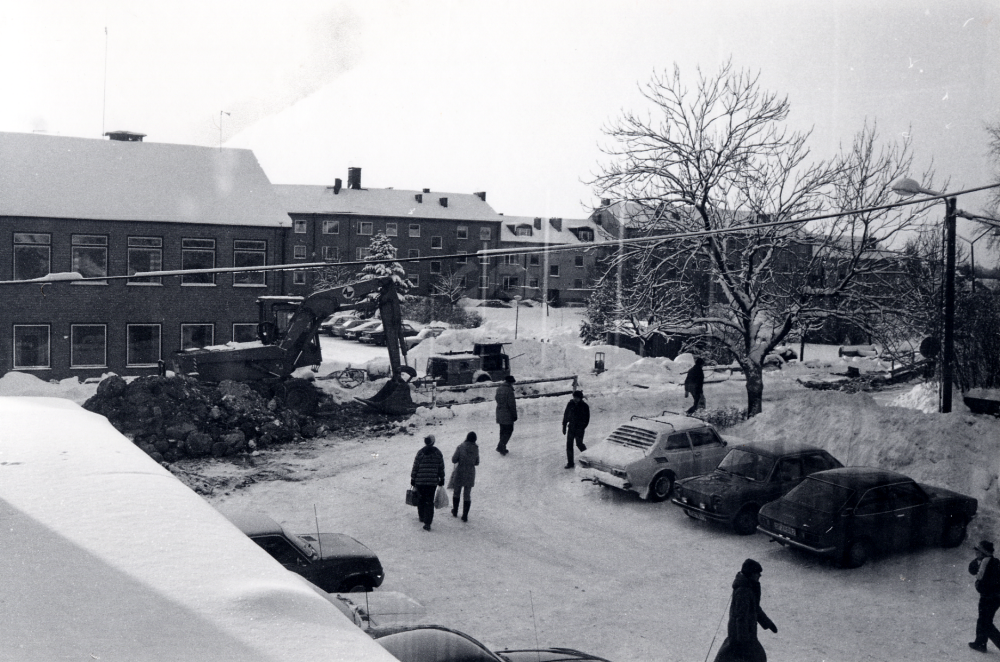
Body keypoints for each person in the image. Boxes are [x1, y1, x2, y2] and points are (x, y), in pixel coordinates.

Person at [713, 558, 777, 662]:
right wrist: (743, 642)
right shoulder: (744, 591)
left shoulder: (749, 587)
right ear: (751, 574)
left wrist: (767, 623)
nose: (760, 576)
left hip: (745, 635)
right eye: (758, 573)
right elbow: (741, 617)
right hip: (742, 636)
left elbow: (755, 608)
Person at [969, 540, 1000, 652]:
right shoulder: (986, 562)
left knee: (986, 623)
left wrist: (979, 586)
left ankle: (983, 643)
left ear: (983, 553)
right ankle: (980, 643)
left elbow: (984, 583)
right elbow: (971, 569)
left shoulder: (988, 564)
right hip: (992, 597)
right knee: (983, 620)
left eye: (977, 552)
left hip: (990, 597)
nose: (975, 554)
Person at [410, 434, 445, 531]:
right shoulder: (438, 453)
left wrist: (413, 478)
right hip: (431, 482)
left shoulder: (420, 452)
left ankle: (421, 516)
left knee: (421, 499)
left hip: (420, 481)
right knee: (429, 501)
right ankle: (428, 523)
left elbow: (415, 466)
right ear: (433, 442)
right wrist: (442, 478)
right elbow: (441, 467)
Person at [450, 431, 480, 522]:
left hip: (460, 471)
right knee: (467, 495)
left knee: (457, 492)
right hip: (470, 473)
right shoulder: (476, 448)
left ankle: (455, 511)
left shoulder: (460, 447)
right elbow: (477, 462)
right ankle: (465, 515)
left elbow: (454, 460)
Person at [561, 390, 590, 469]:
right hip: (571, 427)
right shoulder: (570, 404)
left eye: (577, 398)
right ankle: (570, 463)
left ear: (580, 398)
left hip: (579, 429)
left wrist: (582, 428)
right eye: (574, 397)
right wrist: (564, 425)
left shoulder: (585, 406)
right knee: (569, 445)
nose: (575, 399)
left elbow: (587, 419)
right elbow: (566, 415)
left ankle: (588, 459)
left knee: (579, 444)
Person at [495, 375, 518, 455]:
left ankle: (503, 448)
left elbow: (497, 399)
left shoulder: (499, 389)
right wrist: (514, 415)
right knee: (509, 430)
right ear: (510, 382)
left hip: (499, 412)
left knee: (502, 431)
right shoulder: (509, 390)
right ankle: (500, 446)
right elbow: (511, 405)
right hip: (507, 414)